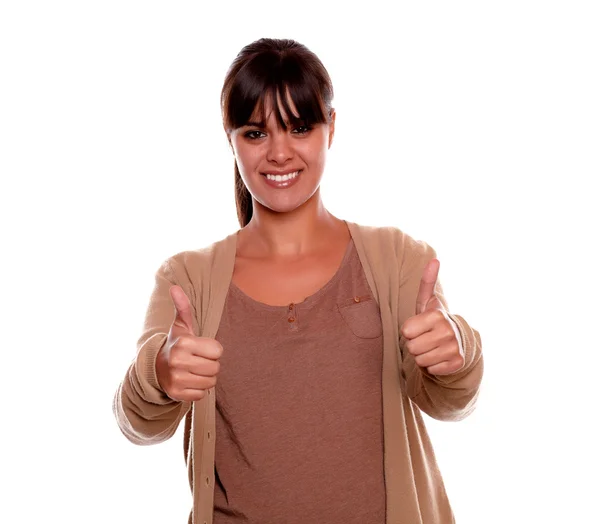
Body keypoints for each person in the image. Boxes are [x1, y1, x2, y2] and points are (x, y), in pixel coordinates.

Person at [113, 37, 484, 524]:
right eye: (255, 133)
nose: (279, 153)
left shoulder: (398, 259)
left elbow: (449, 400)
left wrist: (456, 355)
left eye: (300, 127)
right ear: (231, 139)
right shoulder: (187, 279)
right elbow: (137, 422)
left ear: (331, 130)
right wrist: (159, 375)